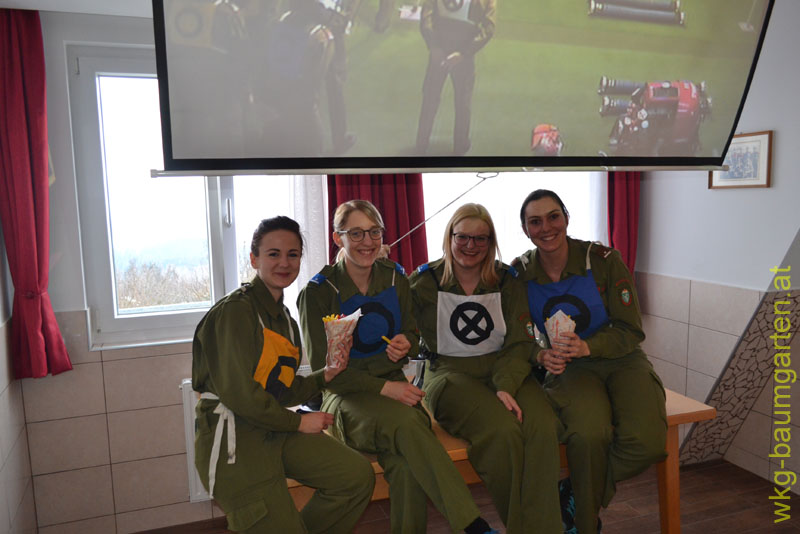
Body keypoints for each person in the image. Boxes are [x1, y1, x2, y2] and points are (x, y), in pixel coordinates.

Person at [298, 200, 498, 534]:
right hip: (345, 398)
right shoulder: (318, 292)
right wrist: (385, 388)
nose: (367, 242)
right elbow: (326, 375)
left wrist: (406, 342)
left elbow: (411, 334)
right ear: (337, 238)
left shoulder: (395, 277)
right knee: (408, 425)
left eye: (374, 232)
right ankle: (471, 523)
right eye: (356, 233)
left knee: (406, 467)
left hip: (397, 392)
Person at [192, 216, 375, 534]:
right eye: (273, 254)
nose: (284, 263)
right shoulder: (235, 312)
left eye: (293, 254)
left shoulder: (285, 319)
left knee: (355, 477)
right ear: (254, 259)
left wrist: (325, 375)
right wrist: (299, 423)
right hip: (234, 441)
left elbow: (281, 389)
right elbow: (241, 396)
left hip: (273, 429)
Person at [513, 190, 667, 534]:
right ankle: (584, 524)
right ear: (525, 229)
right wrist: (540, 354)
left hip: (621, 359)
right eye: (535, 221)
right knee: (588, 435)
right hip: (569, 368)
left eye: (553, 216)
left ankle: (575, 489)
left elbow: (631, 330)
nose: (546, 227)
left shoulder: (603, 261)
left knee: (647, 444)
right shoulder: (519, 274)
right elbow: (517, 337)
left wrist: (588, 346)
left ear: (566, 218)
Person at [409, 203, 562, 534]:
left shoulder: (506, 280)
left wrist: (505, 384)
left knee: (542, 425)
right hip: (450, 376)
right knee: (502, 431)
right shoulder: (424, 282)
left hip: (506, 368)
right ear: (449, 236)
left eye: (481, 238)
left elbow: (520, 341)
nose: (471, 245)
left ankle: (547, 526)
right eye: (462, 236)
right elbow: (398, 327)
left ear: (491, 241)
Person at [416, 0, 496, 155]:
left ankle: (421, 144)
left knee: (430, 98)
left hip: (439, 50)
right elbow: (489, 28)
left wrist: (434, 46)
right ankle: (460, 145)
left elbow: (426, 17)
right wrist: (464, 53)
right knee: (463, 101)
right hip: (464, 55)